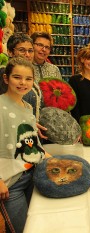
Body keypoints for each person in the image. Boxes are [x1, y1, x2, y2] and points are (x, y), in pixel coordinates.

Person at [0, 57, 49, 233]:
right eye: (17, 77)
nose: (23, 83)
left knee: (34, 224)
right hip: (10, 183)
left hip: (32, 175)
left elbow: (31, 142)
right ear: (6, 79)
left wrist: (49, 157)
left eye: (28, 79)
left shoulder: (28, 108)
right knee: (20, 229)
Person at [4, 33, 43, 121]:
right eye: (22, 50)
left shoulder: (29, 73)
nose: (28, 55)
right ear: (10, 52)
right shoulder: (4, 73)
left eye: (30, 51)